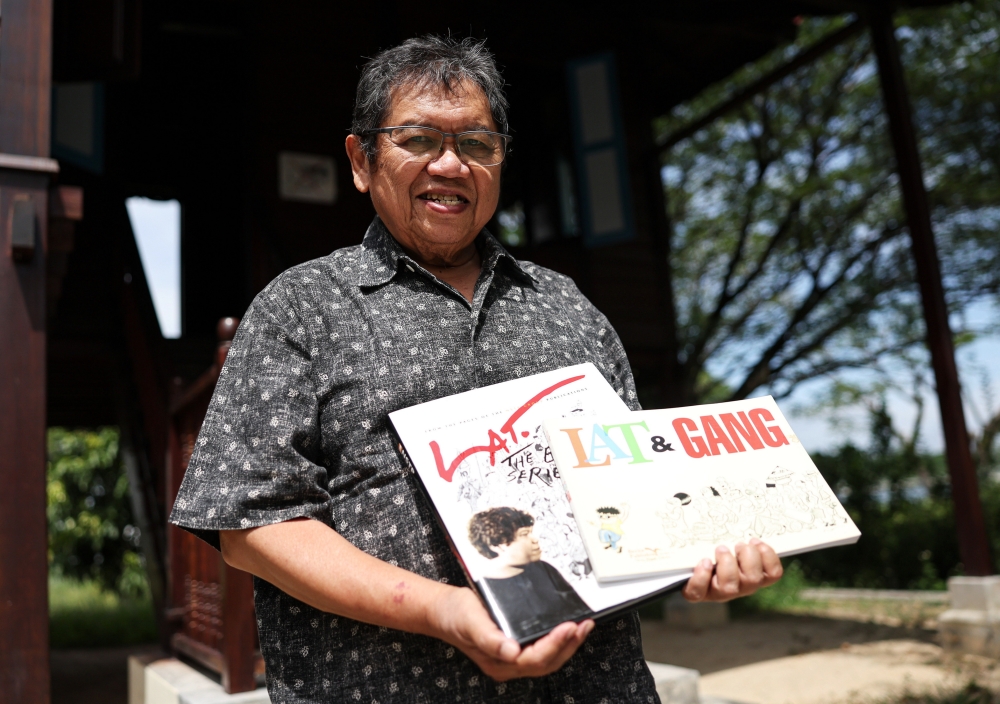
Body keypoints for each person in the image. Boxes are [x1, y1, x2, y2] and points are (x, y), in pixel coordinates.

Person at [169, 34, 783, 703]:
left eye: (477, 144)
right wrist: (440, 609)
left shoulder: (568, 306)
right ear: (361, 159)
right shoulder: (300, 307)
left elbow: (638, 498)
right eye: (418, 139)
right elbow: (250, 525)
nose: (450, 165)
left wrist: (702, 558)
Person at [468, 507, 593, 641]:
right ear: (498, 544)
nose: (534, 539)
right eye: (524, 534)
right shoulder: (482, 590)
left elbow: (583, 613)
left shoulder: (544, 568)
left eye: (531, 533)